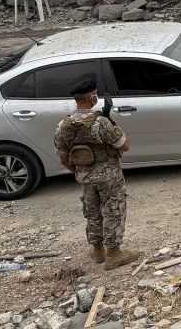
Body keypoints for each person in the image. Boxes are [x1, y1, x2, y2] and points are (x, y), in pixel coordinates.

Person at [53, 79, 141, 269]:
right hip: (108, 176)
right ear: (92, 97)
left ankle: (97, 250)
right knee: (113, 211)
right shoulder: (100, 122)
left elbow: (63, 158)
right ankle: (114, 254)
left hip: (85, 177)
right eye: (96, 94)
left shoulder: (63, 125)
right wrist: (111, 122)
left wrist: (80, 172)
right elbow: (124, 145)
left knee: (92, 212)